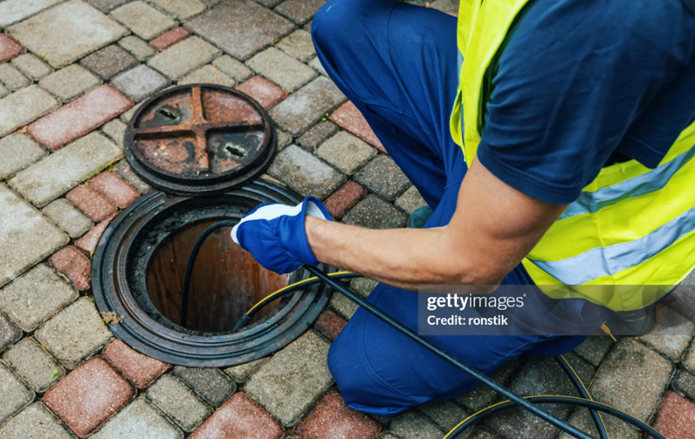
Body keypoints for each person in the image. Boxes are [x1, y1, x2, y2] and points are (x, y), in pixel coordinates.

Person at [231, 0, 695, 416]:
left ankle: (556, 323)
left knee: (367, 371)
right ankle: (471, 216)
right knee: (347, 24)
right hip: (507, 136)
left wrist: (304, 236)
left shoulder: (590, 30)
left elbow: (469, 267)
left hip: (577, 271)